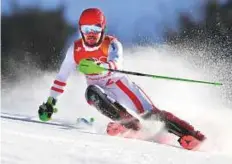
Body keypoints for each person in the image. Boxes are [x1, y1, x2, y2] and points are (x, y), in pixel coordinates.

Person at [38, 8, 205, 150]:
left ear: (102, 28)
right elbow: (62, 77)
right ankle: (130, 125)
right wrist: (50, 103)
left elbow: (116, 63)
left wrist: (99, 66)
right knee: (91, 93)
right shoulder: (75, 50)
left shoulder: (111, 44)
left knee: (151, 115)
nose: (91, 34)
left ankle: (191, 135)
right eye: (86, 29)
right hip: (101, 90)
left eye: (95, 29)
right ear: (81, 29)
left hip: (120, 85)